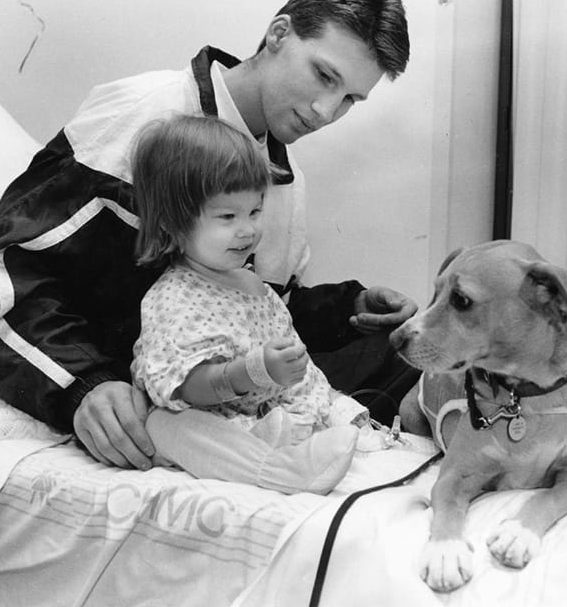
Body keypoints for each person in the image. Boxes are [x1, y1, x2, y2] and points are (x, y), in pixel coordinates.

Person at [0, 0, 420, 471]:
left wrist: (348, 307)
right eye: (324, 76)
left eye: (350, 99)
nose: (325, 111)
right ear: (279, 34)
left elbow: (252, 311)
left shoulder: (286, 183)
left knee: (407, 354)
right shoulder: (144, 117)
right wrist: (81, 385)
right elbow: (5, 275)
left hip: (232, 392)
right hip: (143, 385)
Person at [132, 114, 385, 494]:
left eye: (254, 211)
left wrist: (310, 391)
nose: (248, 229)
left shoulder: (254, 285)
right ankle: (273, 469)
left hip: (269, 412)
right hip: (218, 425)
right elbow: (187, 386)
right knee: (165, 425)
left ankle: (313, 437)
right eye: (227, 216)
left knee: (328, 400)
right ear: (172, 223)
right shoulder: (174, 298)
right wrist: (254, 371)